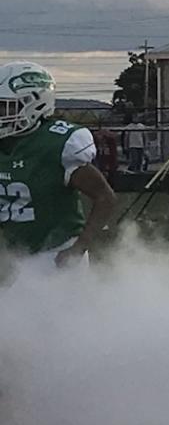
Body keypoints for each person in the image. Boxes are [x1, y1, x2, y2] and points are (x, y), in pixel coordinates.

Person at [0, 61, 117, 270]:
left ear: (34, 103)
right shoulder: (6, 143)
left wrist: (78, 248)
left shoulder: (57, 144)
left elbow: (105, 197)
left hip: (56, 253)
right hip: (14, 254)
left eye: (5, 106)